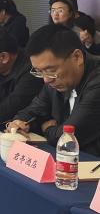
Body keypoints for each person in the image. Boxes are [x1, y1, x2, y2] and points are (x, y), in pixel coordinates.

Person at [8, 24, 100, 155]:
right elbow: (33, 110)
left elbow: (67, 138)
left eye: (50, 70)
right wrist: (19, 123)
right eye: (39, 71)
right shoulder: (55, 79)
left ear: (77, 57)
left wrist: (47, 128)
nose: (46, 79)